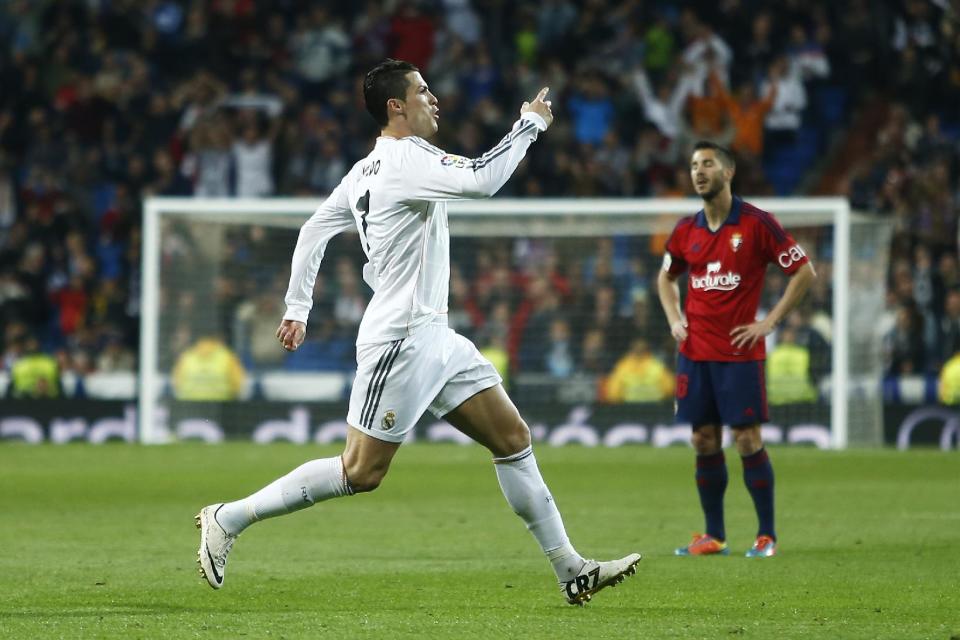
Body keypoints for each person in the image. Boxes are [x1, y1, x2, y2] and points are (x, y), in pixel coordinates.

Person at [195, 59, 640, 605]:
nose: (435, 99)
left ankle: (571, 568)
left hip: (437, 337)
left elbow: (314, 229)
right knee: (360, 471)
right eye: (423, 91)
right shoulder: (408, 158)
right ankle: (228, 518)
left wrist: (298, 307)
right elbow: (481, 180)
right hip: (401, 340)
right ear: (396, 107)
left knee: (513, 439)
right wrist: (531, 123)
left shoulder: (363, 172)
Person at [657, 141, 816, 558]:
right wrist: (675, 319)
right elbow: (665, 278)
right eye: (693, 165)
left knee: (746, 440)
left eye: (707, 164)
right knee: (703, 439)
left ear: (728, 172)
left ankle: (767, 535)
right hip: (695, 354)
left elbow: (803, 272)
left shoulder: (757, 224)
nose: (699, 171)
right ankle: (715, 535)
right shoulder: (684, 231)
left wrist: (769, 323)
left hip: (740, 354)